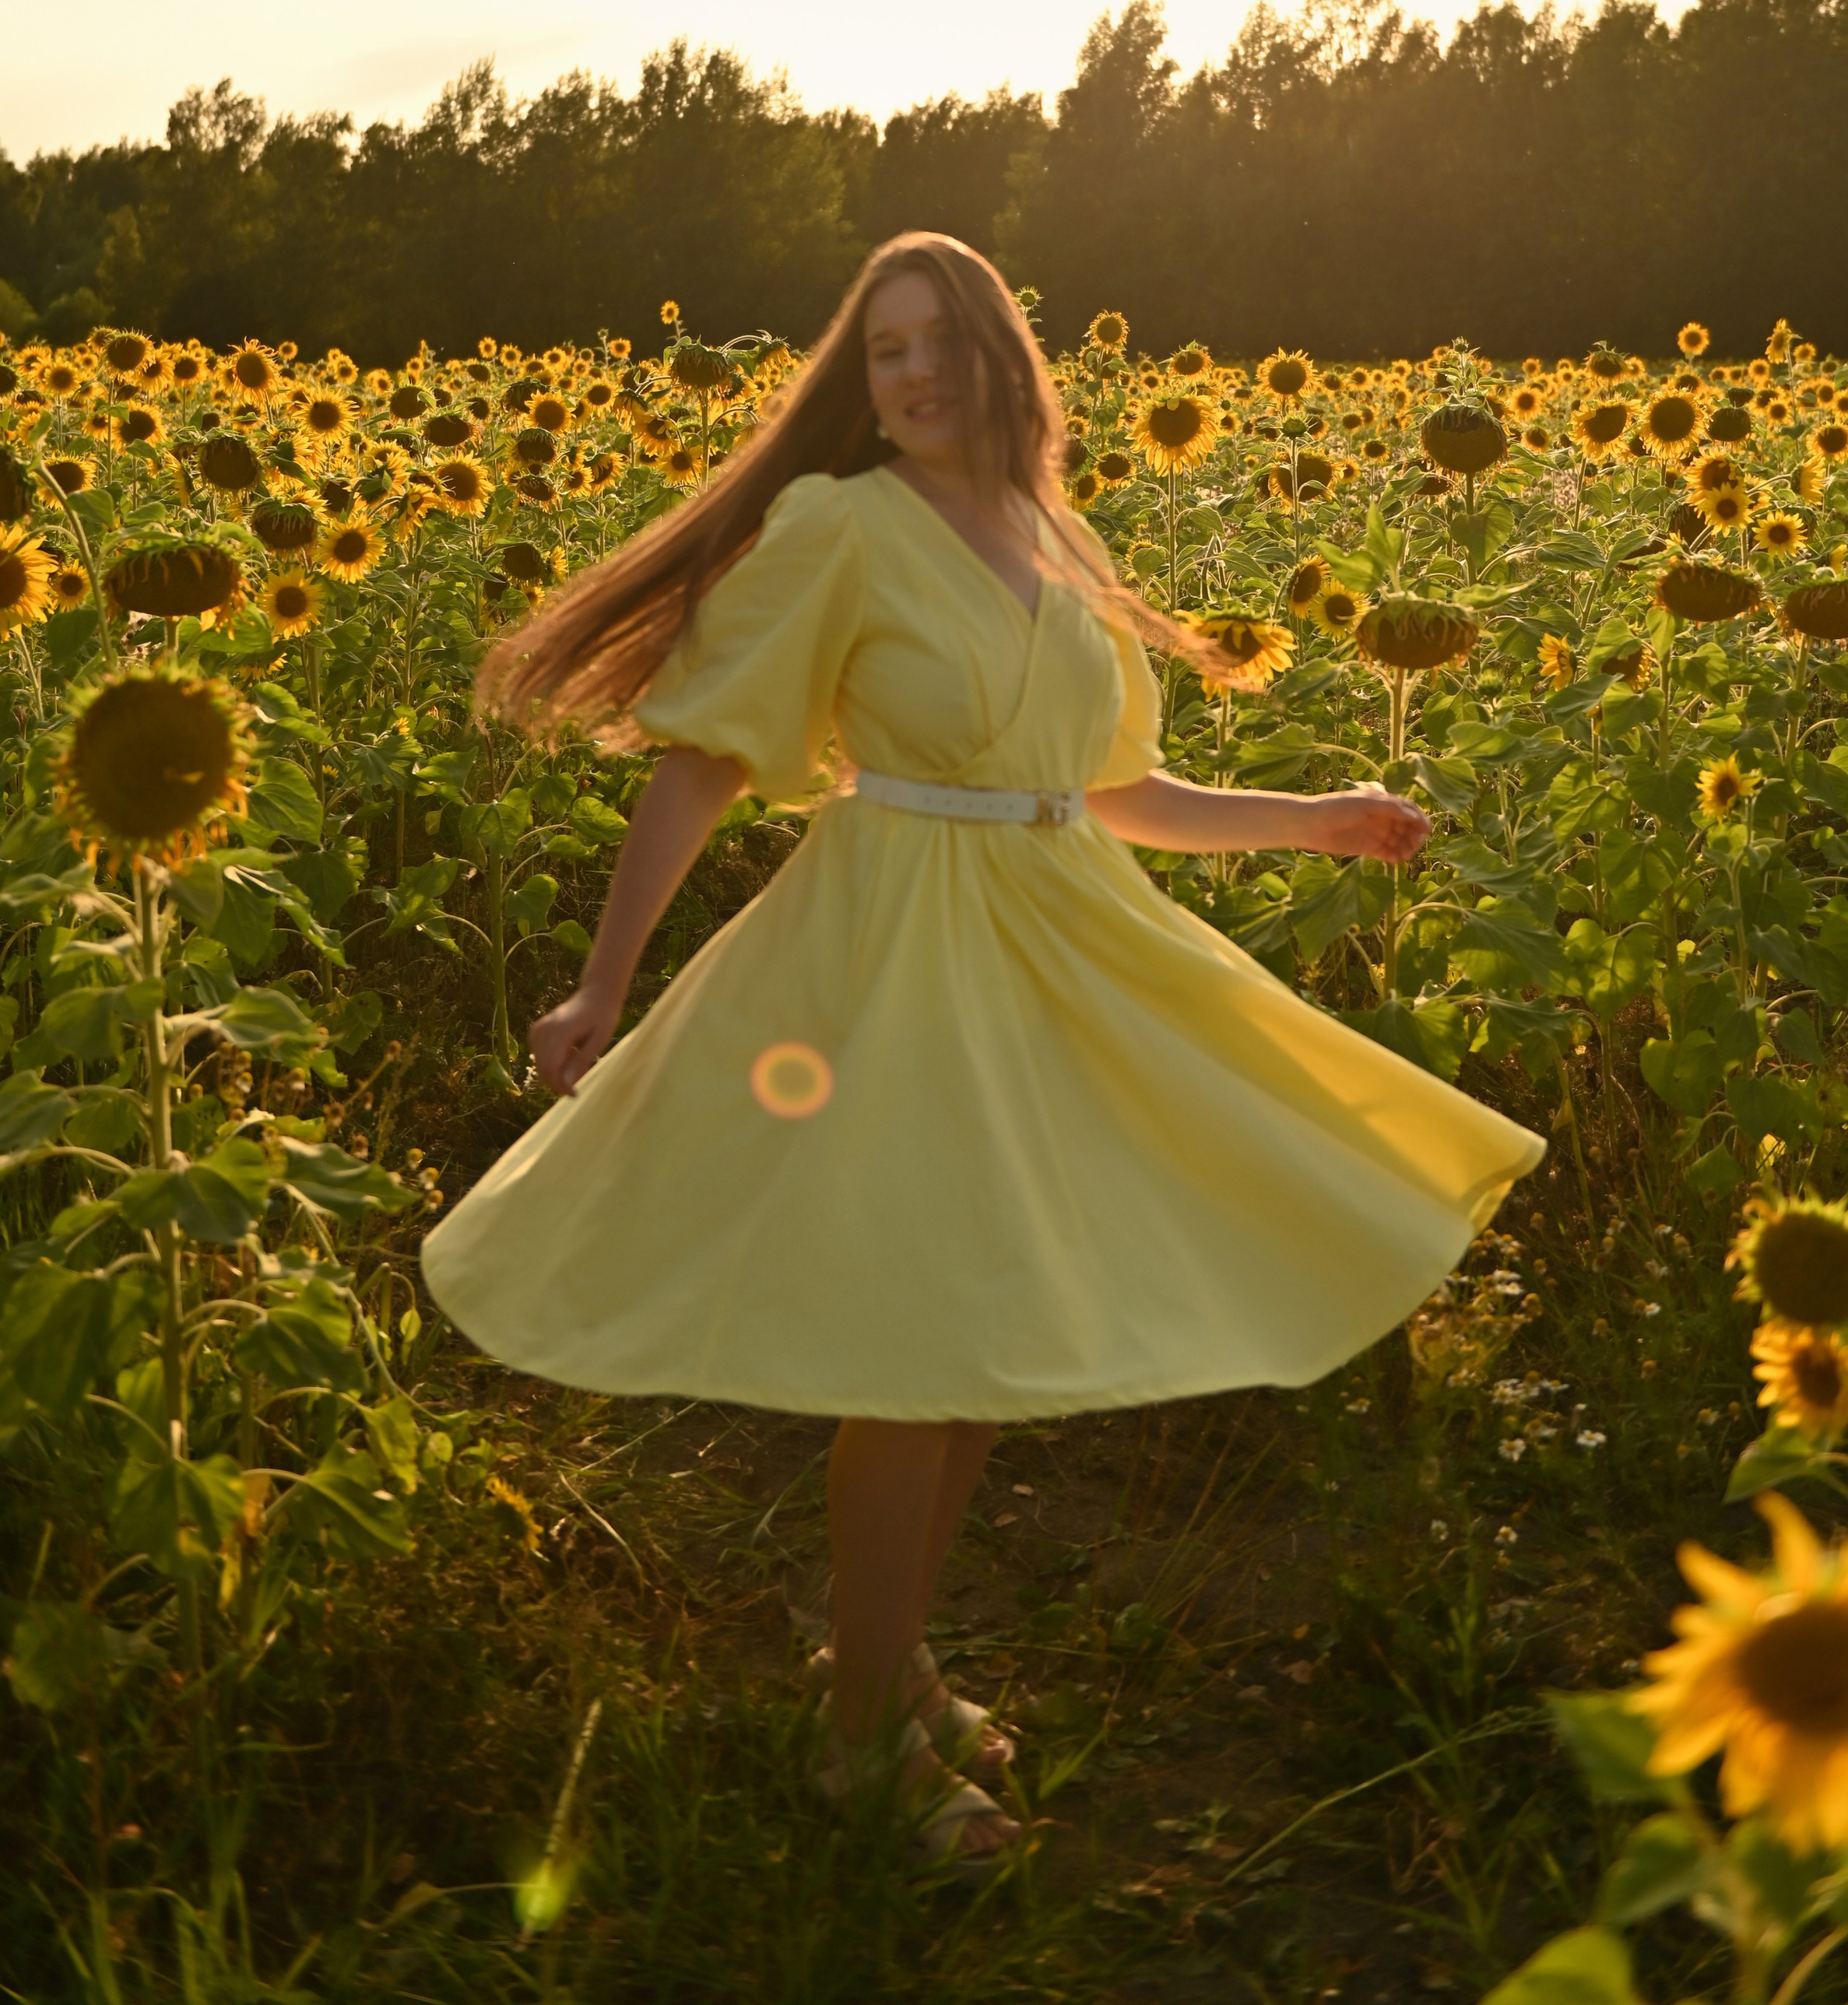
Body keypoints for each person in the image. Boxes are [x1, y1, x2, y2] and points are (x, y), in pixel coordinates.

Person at [421, 236, 1543, 1869]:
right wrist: (604, 983)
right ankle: (859, 1743)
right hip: (887, 956)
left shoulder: (1051, 534)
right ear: (857, 381)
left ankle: (889, 1662)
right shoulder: (837, 526)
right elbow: (706, 762)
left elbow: (1113, 791)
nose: (916, 373)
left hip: (1049, 942)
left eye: (942, 341)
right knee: (919, 1342)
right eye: (885, 353)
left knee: (981, 1336)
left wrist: (1312, 820)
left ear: (1005, 357)